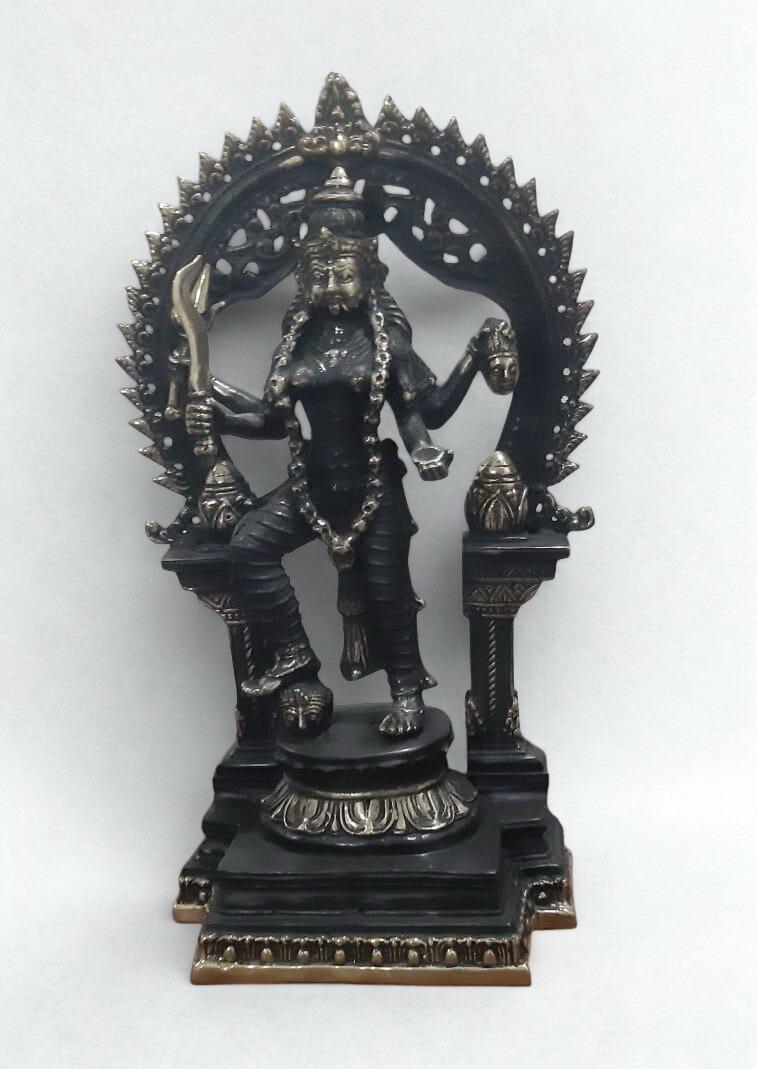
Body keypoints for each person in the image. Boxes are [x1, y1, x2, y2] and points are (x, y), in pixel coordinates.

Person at [186, 167, 488, 736]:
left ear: (367, 276)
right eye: (320, 275)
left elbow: (424, 412)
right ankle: (294, 652)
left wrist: (440, 422)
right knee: (249, 546)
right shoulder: (296, 343)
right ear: (305, 281)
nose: (331, 284)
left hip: (374, 486)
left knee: (387, 591)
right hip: (312, 483)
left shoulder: (385, 342)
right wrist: (220, 416)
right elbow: (272, 419)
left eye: (343, 273)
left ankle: (406, 692)